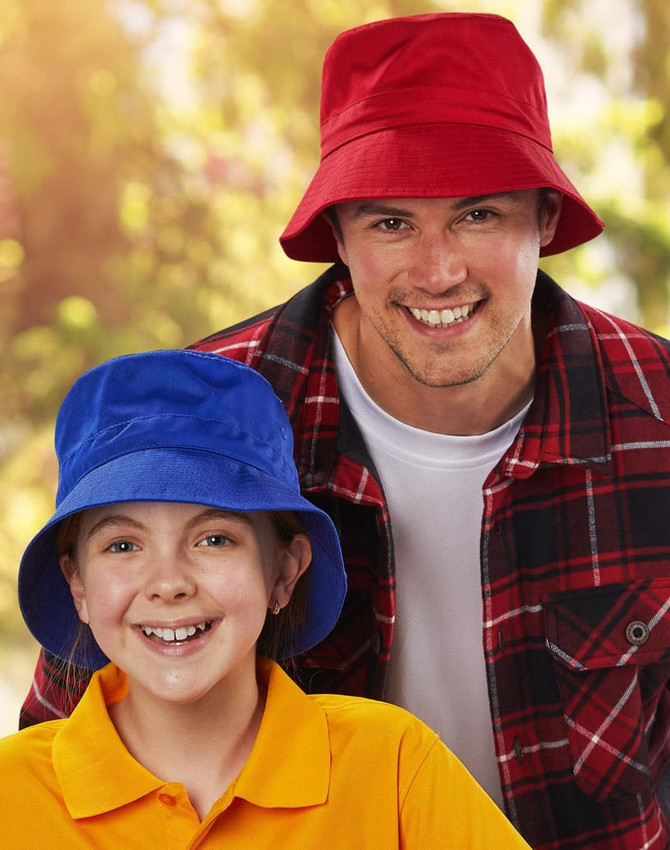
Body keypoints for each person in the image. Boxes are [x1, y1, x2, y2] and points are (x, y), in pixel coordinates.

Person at [21, 12, 670, 849]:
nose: (439, 271)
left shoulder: (655, 417)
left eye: (479, 215)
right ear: (338, 234)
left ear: (544, 219)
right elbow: (70, 733)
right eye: (391, 222)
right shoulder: (215, 417)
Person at [2, 348, 529, 848]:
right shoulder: (13, 795)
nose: (169, 582)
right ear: (79, 586)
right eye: (122, 545)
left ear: (284, 571)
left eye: (214, 539)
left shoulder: (391, 767)